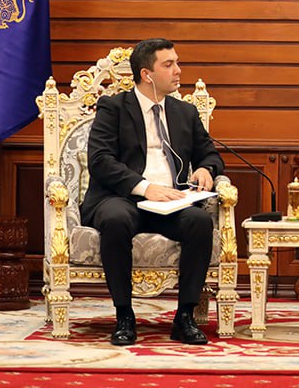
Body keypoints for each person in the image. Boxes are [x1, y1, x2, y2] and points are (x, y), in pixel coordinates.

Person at [83, 38, 225, 346]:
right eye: (169, 64)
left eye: (177, 62)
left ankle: (184, 317)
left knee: (200, 222)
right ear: (147, 74)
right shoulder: (113, 108)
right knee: (116, 219)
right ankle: (124, 316)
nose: (178, 70)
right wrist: (146, 188)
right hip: (122, 198)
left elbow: (210, 155)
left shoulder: (185, 112)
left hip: (170, 203)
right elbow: (100, 160)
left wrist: (206, 169)